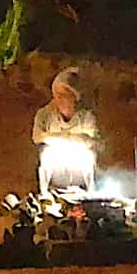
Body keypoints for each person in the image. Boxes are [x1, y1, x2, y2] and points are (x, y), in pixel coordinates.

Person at [32, 65, 106, 193]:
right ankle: (44, 193)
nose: (58, 99)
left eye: (64, 95)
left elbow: (97, 143)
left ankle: (91, 193)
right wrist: (63, 139)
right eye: (56, 94)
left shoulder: (87, 116)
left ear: (74, 96)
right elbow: (37, 137)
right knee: (46, 156)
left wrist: (80, 142)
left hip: (78, 167)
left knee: (87, 157)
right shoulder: (44, 114)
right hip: (57, 167)